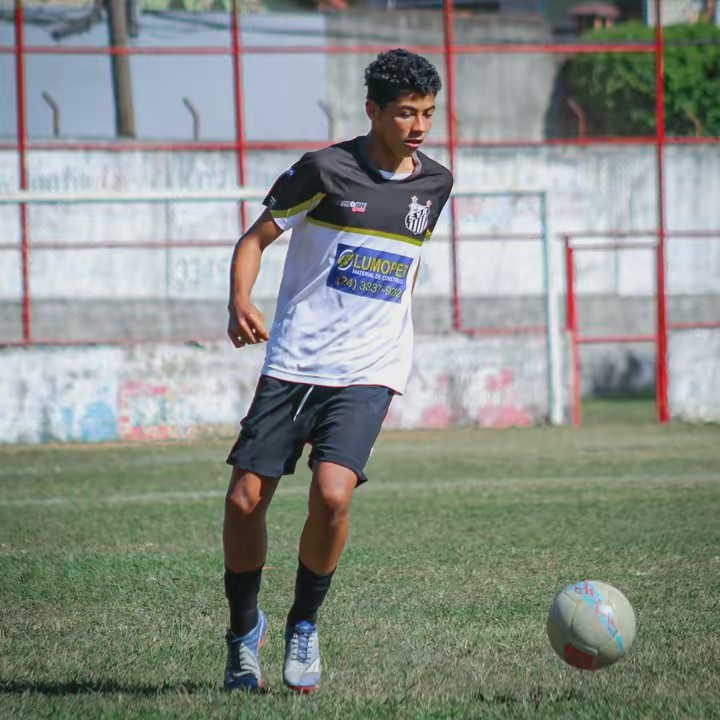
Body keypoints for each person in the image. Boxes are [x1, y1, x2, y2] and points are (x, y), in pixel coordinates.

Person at [222, 48, 453, 693]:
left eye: (428, 113)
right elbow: (254, 239)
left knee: (332, 493)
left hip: (370, 369)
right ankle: (243, 632)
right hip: (296, 362)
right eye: (405, 113)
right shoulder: (324, 169)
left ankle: (303, 623)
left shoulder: (436, 185)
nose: (418, 126)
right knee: (245, 501)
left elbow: (399, 271)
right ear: (372, 110)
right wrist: (240, 298)